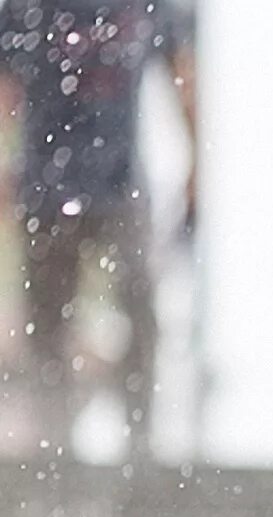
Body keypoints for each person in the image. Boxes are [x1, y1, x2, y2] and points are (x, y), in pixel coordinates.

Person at [0, 0, 197, 460]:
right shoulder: (27, 9)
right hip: (45, 188)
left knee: (141, 306)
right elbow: (5, 90)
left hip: (121, 184)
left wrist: (196, 163)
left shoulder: (145, 7)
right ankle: (54, 442)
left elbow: (181, 70)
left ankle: (141, 440)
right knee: (48, 318)